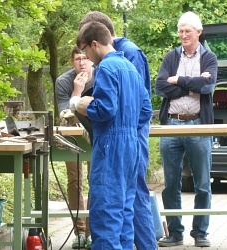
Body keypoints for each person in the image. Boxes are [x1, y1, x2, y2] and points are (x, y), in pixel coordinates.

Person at [71, 20, 152, 249]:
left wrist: (81, 104)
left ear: (94, 44)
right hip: (131, 147)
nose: (85, 58)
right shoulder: (130, 67)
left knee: (106, 216)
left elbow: (105, 109)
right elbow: (145, 110)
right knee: (125, 217)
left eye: (85, 51)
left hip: (110, 147)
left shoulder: (106, 68)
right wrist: (126, 126)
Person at [155, 11, 218, 248]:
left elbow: (208, 85)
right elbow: (160, 87)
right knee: (171, 184)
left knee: (202, 183)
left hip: (198, 125)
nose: (183, 35)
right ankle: (175, 233)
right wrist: (191, 83)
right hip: (171, 124)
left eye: (187, 31)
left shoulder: (209, 58)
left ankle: (200, 233)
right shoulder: (171, 57)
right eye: (180, 31)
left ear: (198, 32)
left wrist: (178, 80)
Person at [54, 45, 94, 249]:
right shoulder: (63, 81)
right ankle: (78, 230)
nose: (82, 62)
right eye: (78, 58)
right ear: (72, 62)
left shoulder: (100, 77)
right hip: (72, 134)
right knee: (74, 180)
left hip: (95, 133)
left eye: (86, 58)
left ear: (92, 60)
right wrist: (78, 94)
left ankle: (91, 230)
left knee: (94, 178)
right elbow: (64, 114)